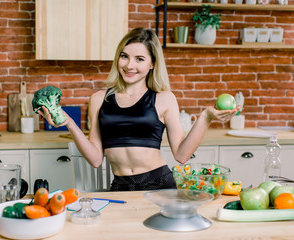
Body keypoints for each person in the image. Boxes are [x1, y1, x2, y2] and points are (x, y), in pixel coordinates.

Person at [38, 28, 240, 191]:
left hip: (160, 184)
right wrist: (70, 124)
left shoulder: (164, 99)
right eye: (124, 56)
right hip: (120, 186)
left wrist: (205, 117)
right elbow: (95, 159)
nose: (129, 65)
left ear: (152, 64)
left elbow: (181, 154)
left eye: (139, 59)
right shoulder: (99, 99)